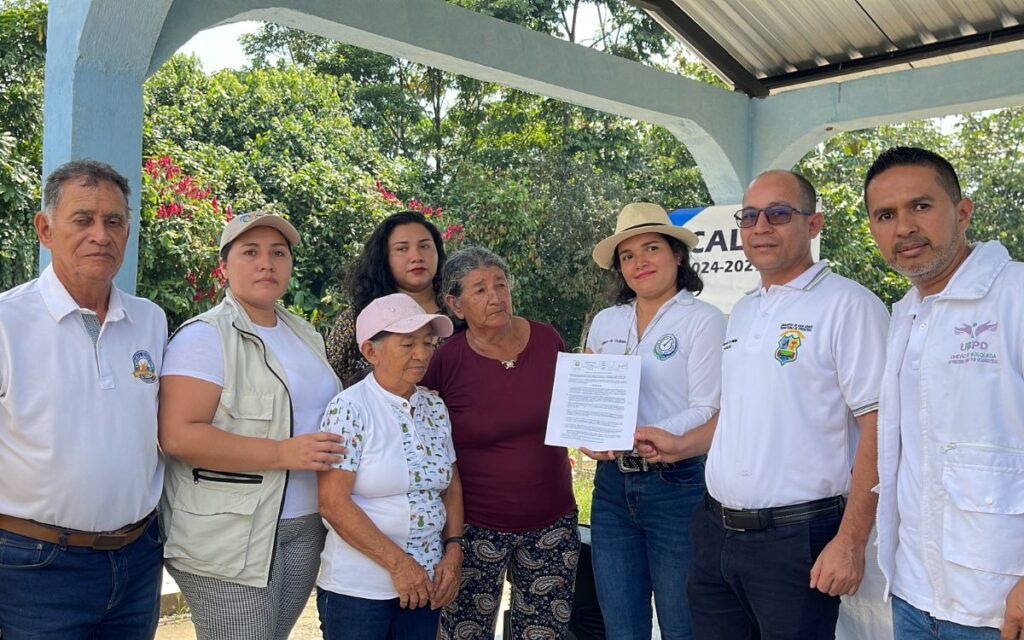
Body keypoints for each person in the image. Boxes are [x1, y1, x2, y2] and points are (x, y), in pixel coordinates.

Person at [641, 170, 889, 640]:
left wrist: (851, 542)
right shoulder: (747, 309)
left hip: (798, 540)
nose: (761, 227)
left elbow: (880, 430)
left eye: (778, 214)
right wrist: (679, 443)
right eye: (750, 216)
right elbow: (736, 413)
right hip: (715, 532)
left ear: (813, 224)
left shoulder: (848, 305)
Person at [0, 159, 168, 638]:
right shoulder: (8, 323)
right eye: (83, 219)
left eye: (114, 221)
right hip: (35, 567)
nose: (101, 234)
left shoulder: (150, 320)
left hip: (137, 559)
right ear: (44, 229)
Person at [158, 211, 344, 640]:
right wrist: (282, 453)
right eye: (250, 252)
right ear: (224, 266)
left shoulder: (304, 333)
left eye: (278, 253)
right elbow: (178, 435)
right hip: (229, 534)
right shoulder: (205, 337)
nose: (267, 263)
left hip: (304, 525)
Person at [864, 146, 1024, 640]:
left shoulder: (1015, 296)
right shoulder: (907, 314)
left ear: (962, 211)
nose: (904, 227)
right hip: (914, 594)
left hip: (997, 606)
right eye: (885, 215)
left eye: (921, 206)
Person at [581, 202, 725, 639]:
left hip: (677, 484)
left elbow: (708, 406)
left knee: (682, 624)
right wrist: (587, 432)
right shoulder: (606, 321)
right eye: (627, 256)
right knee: (621, 627)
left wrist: (651, 434)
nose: (639, 263)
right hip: (610, 488)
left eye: (651, 249)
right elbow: (587, 396)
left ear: (677, 255)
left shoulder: (704, 320)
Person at [422, 246, 580, 640]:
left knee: (544, 634)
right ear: (455, 306)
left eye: (500, 284)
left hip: (552, 523)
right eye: (479, 290)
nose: (495, 296)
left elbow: (575, 411)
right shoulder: (445, 361)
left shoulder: (547, 340)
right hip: (474, 528)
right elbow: (425, 439)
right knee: (464, 634)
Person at [317, 293, 463, 640]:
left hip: (425, 583)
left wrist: (453, 548)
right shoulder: (349, 409)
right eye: (407, 343)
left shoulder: (434, 407)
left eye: (428, 343)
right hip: (360, 591)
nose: (422, 353)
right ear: (371, 351)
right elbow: (333, 503)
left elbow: (450, 485)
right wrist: (400, 565)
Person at [327, 210, 447, 386]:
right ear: (384, 258)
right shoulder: (359, 317)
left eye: (425, 246)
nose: (416, 257)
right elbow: (328, 376)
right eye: (402, 249)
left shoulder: (458, 313)